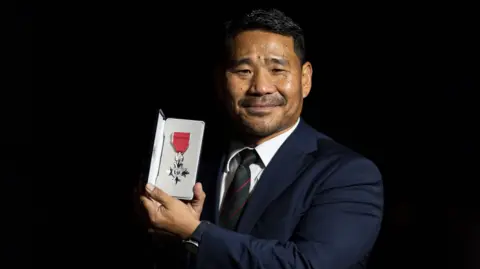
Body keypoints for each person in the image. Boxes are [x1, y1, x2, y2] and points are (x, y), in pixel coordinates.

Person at [139, 8, 384, 269]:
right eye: (243, 71)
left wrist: (195, 233)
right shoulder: (187, 160)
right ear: (221, 81)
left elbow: (310, 265)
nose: (261, 87)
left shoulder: (349, 175)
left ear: (305, 79)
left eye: (278, 69)